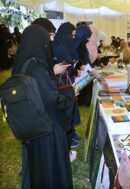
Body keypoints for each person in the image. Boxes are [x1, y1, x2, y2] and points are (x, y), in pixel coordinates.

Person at [12, 24, 74, 188]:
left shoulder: (23, 62)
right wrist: (70, 94)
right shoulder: (38, 67)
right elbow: (52, 99)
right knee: (50, 169)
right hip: (46, 131)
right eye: (47, 42)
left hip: (32, 126)